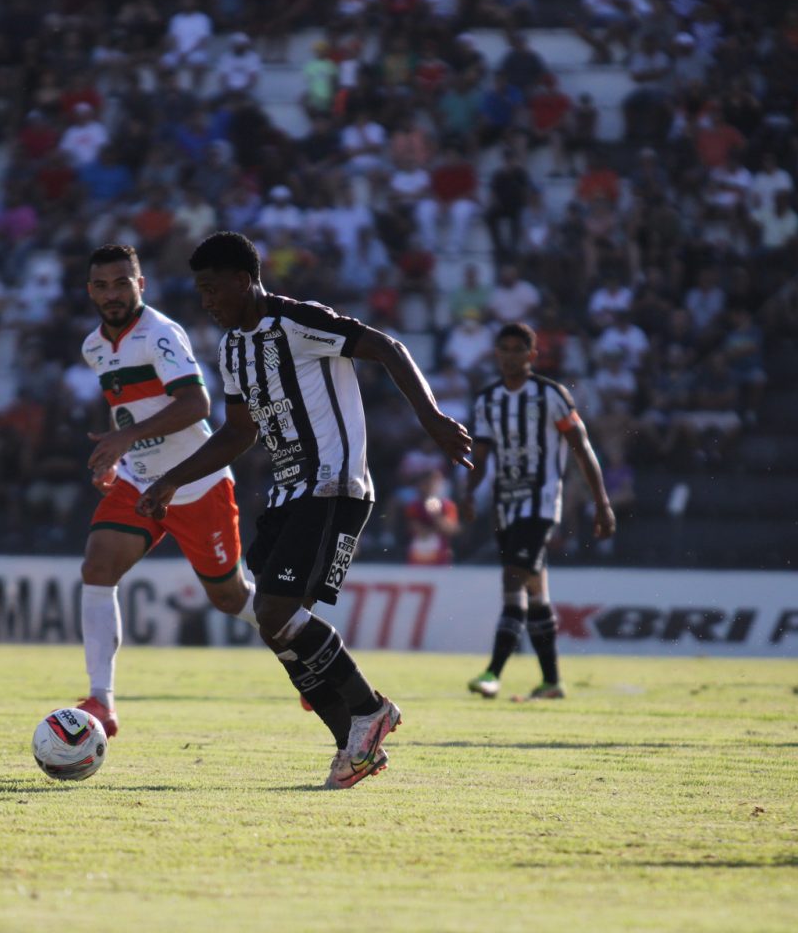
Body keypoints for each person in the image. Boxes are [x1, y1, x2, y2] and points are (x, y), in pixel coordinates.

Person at [137, 232, 473, 789]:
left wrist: (432, 419)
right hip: (287, 494)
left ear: (243, 281)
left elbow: (387, 347)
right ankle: (354, 746)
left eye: (212, 288)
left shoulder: (299, 323)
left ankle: (371, 711)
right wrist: (171, 479)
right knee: (276, 628)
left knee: (273, 613)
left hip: (333, 487)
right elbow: (237, 433)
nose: (206, 301)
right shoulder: (233, 350)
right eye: (200, 290)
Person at [75, 244, 259, 737]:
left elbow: (197, 403)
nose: (112, 293)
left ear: (141, 285)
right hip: (139, 479)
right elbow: (128, 411)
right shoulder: (94, 346)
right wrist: (117, 455)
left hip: (196, 481)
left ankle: (307, 651)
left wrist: (123, 438)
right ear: (89, 290)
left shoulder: (159, 334)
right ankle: (101, 702)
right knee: (97, 566)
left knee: (230, 597)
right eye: (101, 285)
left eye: (121, 282)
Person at [459, 323, 616, 702]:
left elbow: (582, 449)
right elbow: (479, 457)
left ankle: (493, 672)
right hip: (504, 504)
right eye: (504, 349)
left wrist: (602, 502)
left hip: (541, 502)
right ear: (496, 353)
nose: (510, 355)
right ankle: (551, 682)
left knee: (513, 581)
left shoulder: (552, 396)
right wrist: (467, 494)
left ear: (532, 355)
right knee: (534, 588)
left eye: (518, 349)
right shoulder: (487, 401)